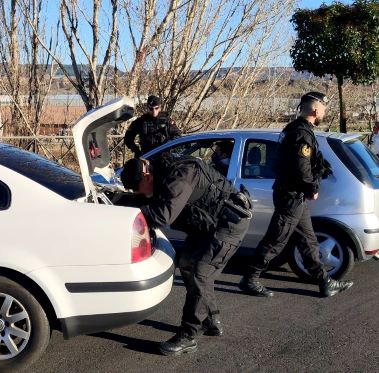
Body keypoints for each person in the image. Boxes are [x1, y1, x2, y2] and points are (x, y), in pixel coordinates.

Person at [120, 154, 252, 356]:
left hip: (228, 225)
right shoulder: (160, 172)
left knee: (200, 273)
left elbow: (162, 215)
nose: (138, 193)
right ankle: (211, 320)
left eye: (137, 188)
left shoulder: (180, 175)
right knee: (187, 265)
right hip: (207, 226)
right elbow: (148, 199)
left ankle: (188, 335)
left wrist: (129, 213)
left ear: (146, 175)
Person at [238, 91, 353, 298]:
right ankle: (249, 278)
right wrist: (313, 188)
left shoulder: (294, 129)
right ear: (315, 110)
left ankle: (324, 282)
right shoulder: (301, 133)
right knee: (276, 240)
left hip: (294, 197)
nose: (325, 112)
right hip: (291, 196)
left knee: (307, 241)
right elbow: (301, 167)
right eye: (324, 108)